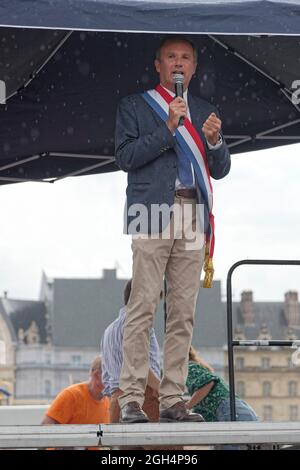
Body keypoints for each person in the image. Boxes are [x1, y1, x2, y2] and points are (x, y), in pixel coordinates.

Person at [115, 35, 231, 423]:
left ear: (194, 68)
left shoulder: (204, 109)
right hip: (149, 211)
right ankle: (130, 398)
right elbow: (126, 156)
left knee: (182, 312)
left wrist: (214, 142)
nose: (178, 63)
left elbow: (221, 168)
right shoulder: (134, 106)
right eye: (171, 57)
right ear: (158, 65)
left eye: (185, 58)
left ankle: (172, 399)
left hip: (192, 212)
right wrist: (168, 128)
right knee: (142, 305)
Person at [101, 279, 161, 424]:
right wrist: (162, 389)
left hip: (117, 402)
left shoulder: (109, 330)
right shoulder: (140, 325)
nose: (155, 307)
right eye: (155, 299)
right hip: (143, 398)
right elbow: (139, 364)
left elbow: (106, 377)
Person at [186, 346, 258, 449]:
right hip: (239, 411)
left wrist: (186, 406)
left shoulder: (189, 367)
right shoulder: (197, 367)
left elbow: (208, 382)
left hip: (229, 412)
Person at [41, 356, 110, 425]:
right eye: (112, 376)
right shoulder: (71, 396)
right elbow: (45, 428)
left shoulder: (108, 402)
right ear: (97, 375)